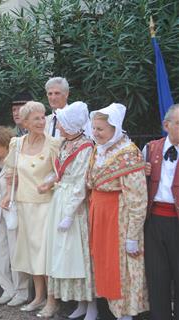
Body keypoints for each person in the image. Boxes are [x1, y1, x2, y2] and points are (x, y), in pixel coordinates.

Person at [86, 103, 148, 320]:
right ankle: (109, 310)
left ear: (115, 128)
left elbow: (138, 199)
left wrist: (132, 235)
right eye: (94, 128)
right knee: (103, 264)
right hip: (100, 214)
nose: (95, 133)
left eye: (100, 129)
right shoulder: (99, 150)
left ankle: (125, 314)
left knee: (121, 265)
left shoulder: (128, 154)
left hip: (119, 217)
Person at [1, 101, 61, 313]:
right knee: (31, 253)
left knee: (45, 254)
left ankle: (52, 301)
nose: (41, 121)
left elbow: (60, 172)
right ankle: (38, 297)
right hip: (24, 205)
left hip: (46, 206)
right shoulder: (16, 143)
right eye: (36, 118)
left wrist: (50, 183)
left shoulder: (54, 143)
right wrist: (8, 194)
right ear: (25, 122)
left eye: (43, 117)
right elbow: (10, 172)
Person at [43, 101, 97, 319]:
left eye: (63, 123)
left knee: (80, 254)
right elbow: (60, 172)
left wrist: (69, 213)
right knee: (65, 254)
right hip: (60, 199)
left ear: (73, 125)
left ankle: (92, 305)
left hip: (75, 207)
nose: (60, 127)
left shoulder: (86, 147)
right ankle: (80, 303)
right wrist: (48, 181)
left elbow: (81, 182)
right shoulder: (65, 143)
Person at [0, 125, 30, 306]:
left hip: (14, 212)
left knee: (16, 253)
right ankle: (7, 290)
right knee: (0, 254)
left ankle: (21, 292)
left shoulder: (17, 157)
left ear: (4, 145)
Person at [142, 103, 179, 320]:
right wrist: (142, 171)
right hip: (154, 221)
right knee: (157, 277)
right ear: (166, 125)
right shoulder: (150, 149)